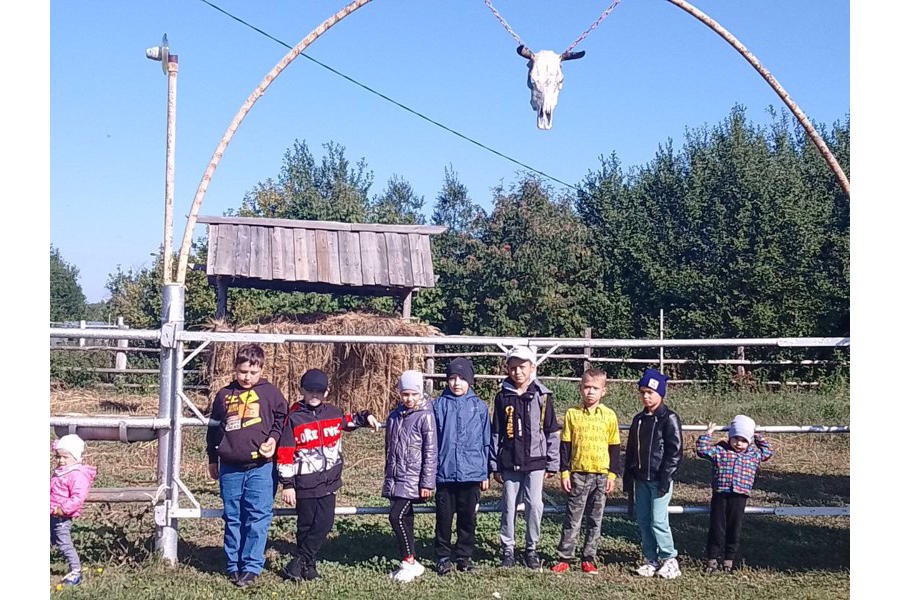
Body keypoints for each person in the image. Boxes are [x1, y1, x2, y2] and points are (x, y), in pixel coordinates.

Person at [278, 368, 379, 582]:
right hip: (304, 482)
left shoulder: (333, 413)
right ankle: (308, 567)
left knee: (325, 523)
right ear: (301, 390)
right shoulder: (294, 418)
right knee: (306, 525)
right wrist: (287, 484)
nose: (314, 396)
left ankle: (299, 560)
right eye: (310, 391)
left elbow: (348, 422)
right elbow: (285, 453)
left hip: (329, 481)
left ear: (327, 392)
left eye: (319, 391)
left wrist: (366, 416)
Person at [206, 343, 288, 588]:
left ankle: (252, 566)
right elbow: (213, 428)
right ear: (235, 369)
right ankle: (233, 564)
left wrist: (273, 440)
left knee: (258, 516)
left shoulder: (271, 393)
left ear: (261, 369)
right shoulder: (224, 395)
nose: (247, 377)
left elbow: (282, 419)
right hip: (230, 466)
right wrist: (212, 457)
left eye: (253, 372)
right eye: (243, 372)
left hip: (261, 467)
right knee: (233, 516)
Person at [489, 345, 561, 570]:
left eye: (522, 367)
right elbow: (496, 432)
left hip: (536, 460)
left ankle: (532, 548)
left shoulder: (543, 396)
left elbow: (551, 430)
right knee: (509, 505)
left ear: (533, 367)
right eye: (512, 367)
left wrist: (552, 461)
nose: (517, 372)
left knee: (535, 504)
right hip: (509, 460)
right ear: (507, 369)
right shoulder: (502, 397)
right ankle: (508, 549)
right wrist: (494, 463)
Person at [550, 368, 621, 575]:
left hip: (601, 475)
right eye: (586, 387)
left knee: (595, 519)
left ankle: (589, 557)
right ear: (580, 388)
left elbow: (614, 447)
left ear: (603, 391)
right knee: (573, 517)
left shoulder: (609, 416)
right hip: (578, 474)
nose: (590, 392)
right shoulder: (573, 414)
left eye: (595, 388)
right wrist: (564, 472)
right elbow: (565, 445)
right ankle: (565, 556)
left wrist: (612, 475)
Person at [623, 367, 683, 579]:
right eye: (642, 392)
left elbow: (674, 452)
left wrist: (666, 477)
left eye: (650, 392)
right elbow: (631, 449)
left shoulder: (670, 419)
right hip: (641, 479)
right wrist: (629, 475)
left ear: (661, 393)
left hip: (659, 479)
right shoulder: (638, 420)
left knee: (658, 520)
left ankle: (670, 558)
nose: (646, 396)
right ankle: (651, 558)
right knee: (643, 519)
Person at [432, 357, 490, 576]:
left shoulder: (480, 407)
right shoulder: (438, 405)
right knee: (443, 519)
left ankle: (464, 556)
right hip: (445, 474)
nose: (456, 383)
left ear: (470, 381)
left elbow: (486, 441)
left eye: (462, 378)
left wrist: (484, 472)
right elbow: (432, 440)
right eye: (452, 378)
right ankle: (443, 557)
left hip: (472, 473)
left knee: (468, 519)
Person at [697, 415, 773, 574]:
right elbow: (702, 450)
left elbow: (768, 451)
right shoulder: (720, 450)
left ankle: (728, 560)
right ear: (729, 437)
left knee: (734, 527)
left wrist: (757, 435)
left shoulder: (753, 455)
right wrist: (708, 433)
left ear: (750, 441)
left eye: (744, 440)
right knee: (717, 527)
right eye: (735, 438)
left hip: (740, 496)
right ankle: (712, 560)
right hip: (720, 494)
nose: (739, 443)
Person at [382, 370, 438, 583]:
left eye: (414, 394)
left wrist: (427, 482)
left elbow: (430, 452)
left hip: (413, 479)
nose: (409, 399)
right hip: (397, 476)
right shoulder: (395, 416)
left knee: (395, 516)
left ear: (420, 393)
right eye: (405, 394)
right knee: (405, 519)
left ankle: (409, 561)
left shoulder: (425, 416)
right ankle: (411, 561)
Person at [50, 434, 97, 586]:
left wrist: (62, 509)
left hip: (62, 516)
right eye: (58, 457)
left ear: (75, 457)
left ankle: (76, 570)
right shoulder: (61, 472)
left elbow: (78, 497)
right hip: (51, 513)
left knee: (64, 543)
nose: (61, 461)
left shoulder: (77, 474)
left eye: (65, 457)